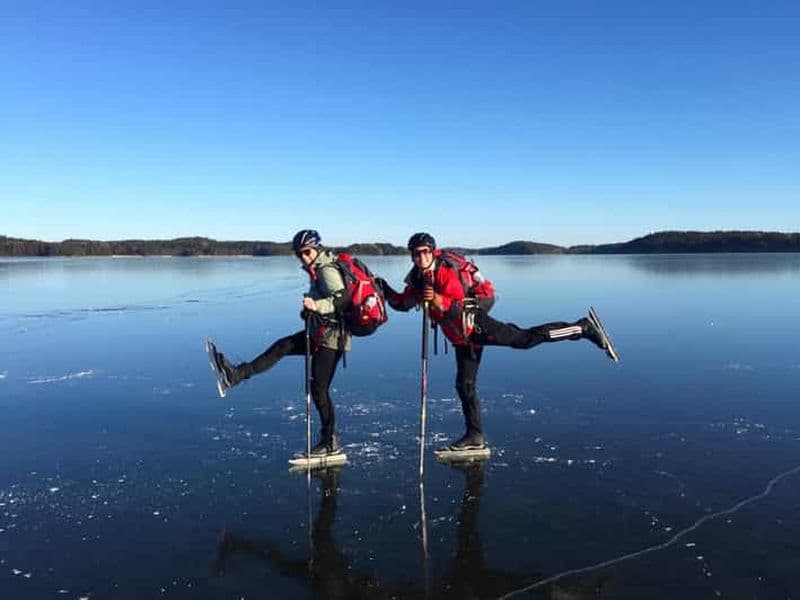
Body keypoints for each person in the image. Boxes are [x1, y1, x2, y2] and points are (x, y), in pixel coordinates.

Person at [379, 232, 618, 452]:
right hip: (462, 338)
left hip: (477, 326)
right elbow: (403, 303)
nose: (421, 257)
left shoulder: (444, 272)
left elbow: (458, 305)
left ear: (433, 251)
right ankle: (475, 437)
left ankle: (582, 328)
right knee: (465, 385)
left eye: (425, 252)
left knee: (524, 339)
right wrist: (385, 290)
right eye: (416, 253)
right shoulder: (419, 278)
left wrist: (439, 300)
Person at [207, 229, 350, 458]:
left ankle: (330, 442)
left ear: (317, 248)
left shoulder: (326, 269)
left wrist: (316, 307)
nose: (303, 257)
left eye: (306, 252)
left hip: (333, 339)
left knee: (319, 389)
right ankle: (236, 375)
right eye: (299, 254)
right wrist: (310, 311)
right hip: (320, 333)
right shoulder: (317, 268)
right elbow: (327, 300)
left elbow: (342, 298)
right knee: (282, 346)